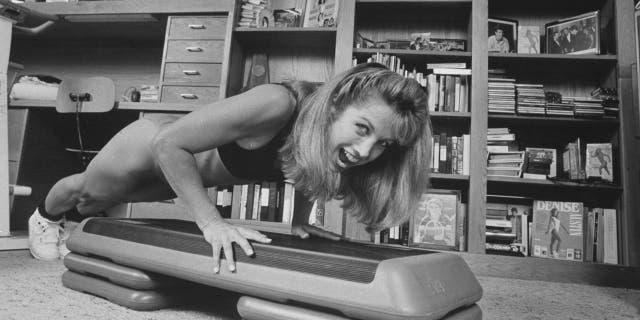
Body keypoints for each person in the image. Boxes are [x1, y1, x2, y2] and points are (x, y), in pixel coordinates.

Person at [28, 63, 433, 273]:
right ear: (335, 106)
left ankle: (68, 222)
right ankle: (44, 218)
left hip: (184, 173)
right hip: (154, 145)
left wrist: (300, 221)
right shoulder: (279, 103)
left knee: (109, 199)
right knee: (87, 192)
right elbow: (169, 143)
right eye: (362, 129)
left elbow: (306, 170)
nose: (366, 150)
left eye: (383, 143)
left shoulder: (328, 143)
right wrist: (212, 223)